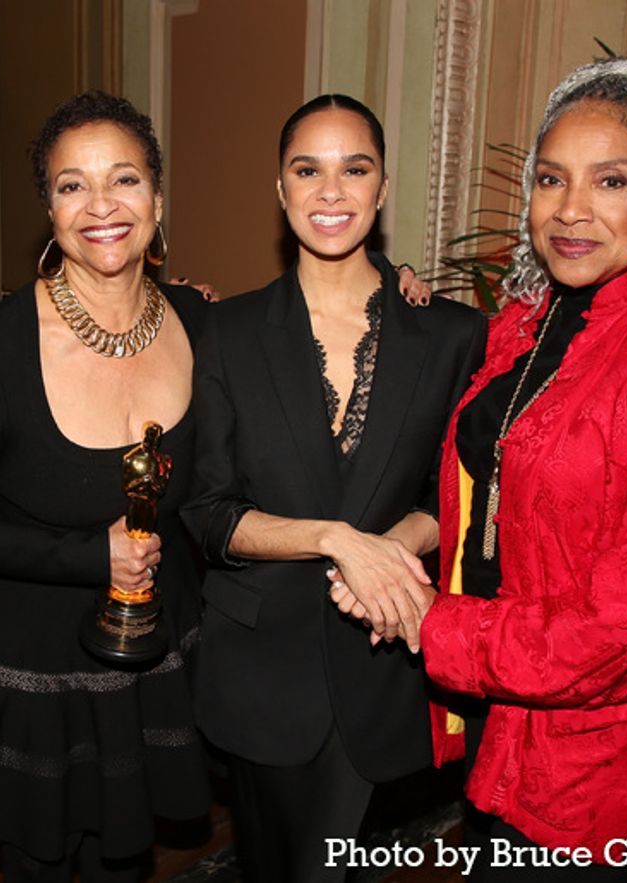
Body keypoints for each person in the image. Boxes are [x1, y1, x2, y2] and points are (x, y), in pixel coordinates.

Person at [333, 51, 627, 879]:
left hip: (594, 762)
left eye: (611, 181)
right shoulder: (524, 325)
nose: (571, 210)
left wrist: (430, 621)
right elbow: (491, 487)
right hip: (495, 714)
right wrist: (400, 550)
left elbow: (622, 631)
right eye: (551, 179)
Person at [0, 91, 210, 882]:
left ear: (158, 197)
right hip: (32, 669)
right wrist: (88, 556)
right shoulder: (1, 349)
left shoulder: (200, 322)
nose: (101, 205)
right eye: (73, 185)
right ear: (50, 209)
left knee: (124, 861)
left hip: (149, 659)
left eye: (125, 179)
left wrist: (399, 282)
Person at [181, 94, 487, 883]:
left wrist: (391, 549)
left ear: (382, 187)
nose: (330, 191)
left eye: (354, 169)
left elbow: (459, 495)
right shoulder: (229, 332)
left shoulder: (452, 335)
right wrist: (336, 539)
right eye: (307, 170)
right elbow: (206, 512)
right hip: (260, 668)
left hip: (382, 660)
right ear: (280, 189)